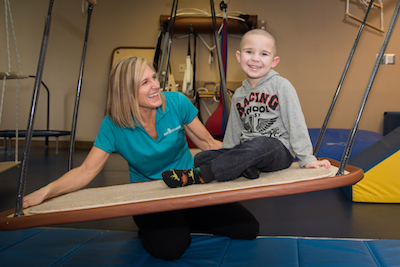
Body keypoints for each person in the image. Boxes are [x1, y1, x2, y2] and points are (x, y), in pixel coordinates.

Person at [22, 57, 259, 260]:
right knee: (172, 249)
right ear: (126, 91)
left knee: (248, 228)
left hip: (189, 183)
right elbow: (86, 171)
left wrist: (244, 157)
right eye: (145, 82)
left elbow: (208, 144)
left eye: (154, 77)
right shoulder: (113, 125)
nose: (156, 85)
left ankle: (183, 216)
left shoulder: (176, 103)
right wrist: (44, 193)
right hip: (150, 193)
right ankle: (153, 222)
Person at [162, 29, 331, 188]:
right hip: (247, 149)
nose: (255, 58)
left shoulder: (281, 86)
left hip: (277, 150)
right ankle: (245, 168)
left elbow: (296, 122)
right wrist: (227, 153)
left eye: (263, 54)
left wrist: (307, 158)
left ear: (274, 61)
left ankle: (203, 175)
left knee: (259, 145)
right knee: (201, 157)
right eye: (249, 52)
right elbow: (234, 130)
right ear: (239, 55)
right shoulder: (239, 95)